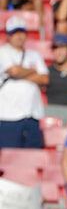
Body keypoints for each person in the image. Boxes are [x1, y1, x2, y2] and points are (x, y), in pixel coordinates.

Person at [0, 16, 47, 148]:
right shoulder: (2, 52)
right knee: (10, 159)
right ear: (8, 36)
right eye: (14, 33)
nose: (19, 36)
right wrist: (33, 71)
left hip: (32, 113)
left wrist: (21, 73)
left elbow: (44, 79)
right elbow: (14, 71)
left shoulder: (34, 54)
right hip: (8, 115)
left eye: (21, 32)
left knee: (32, 156)